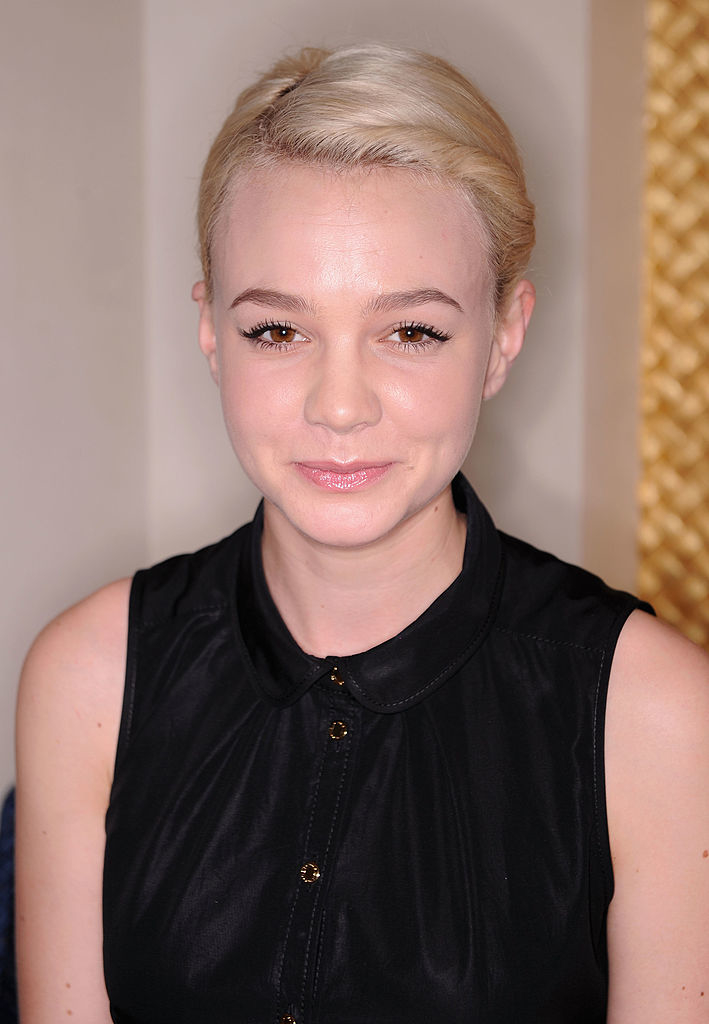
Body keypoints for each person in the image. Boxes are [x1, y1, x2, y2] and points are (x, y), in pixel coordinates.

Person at [15, 42, 709, 1024]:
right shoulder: (84, 679)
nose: (338, 406)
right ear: (211, 331)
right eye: (276, 330)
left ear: (504, 333)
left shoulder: (657, 717)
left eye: (411, 330)